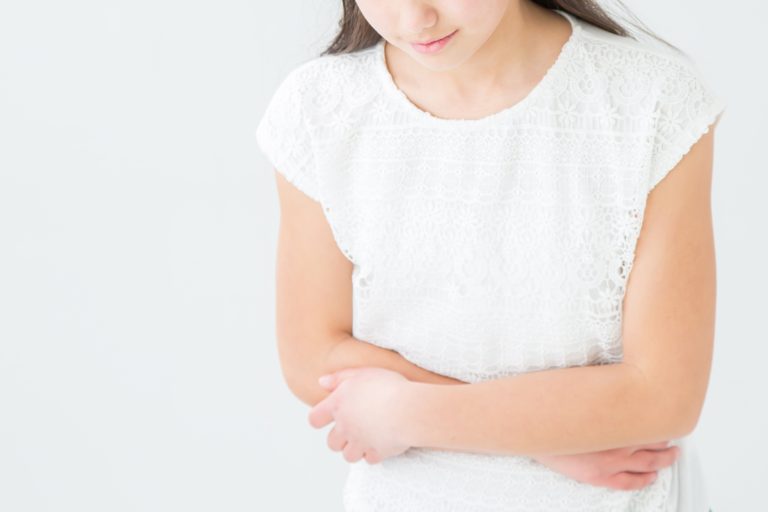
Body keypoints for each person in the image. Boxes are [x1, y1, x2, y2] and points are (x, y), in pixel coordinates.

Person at [255, 1, 726, 510]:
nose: (414, 19)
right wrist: (546, 441)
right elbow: (314, 355)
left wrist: (408, 413)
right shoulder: (319, 108)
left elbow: (663, 396)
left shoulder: (652, 100)